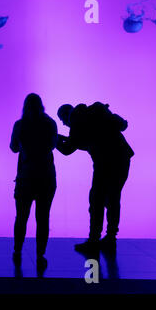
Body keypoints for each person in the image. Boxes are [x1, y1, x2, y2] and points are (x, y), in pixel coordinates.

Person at [56, 102, 134, 253]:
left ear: (66, 116)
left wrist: (54, 141)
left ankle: (94, 239)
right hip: (122, 158)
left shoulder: (76, 125)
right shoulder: (95, 110)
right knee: (113, 198)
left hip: (104, 164)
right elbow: (113, 127)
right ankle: (111, 237)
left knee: (96, 200)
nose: (64, 124)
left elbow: (67, 149)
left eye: (62, 120)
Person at [10, 93, 58, 270]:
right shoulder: (50, 123)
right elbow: (53, 145)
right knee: (43, 217)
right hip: (46, 176)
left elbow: (13, 147)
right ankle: (40, 253)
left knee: (21, 216)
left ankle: (17, 250)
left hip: (25, 177)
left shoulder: (20, 125)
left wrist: (24, 145)